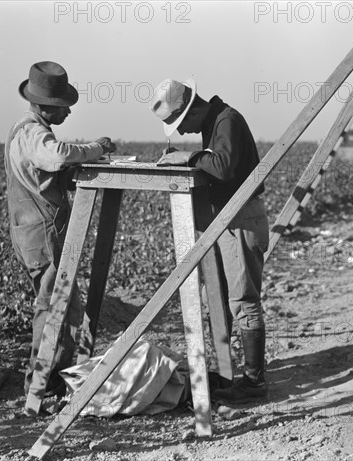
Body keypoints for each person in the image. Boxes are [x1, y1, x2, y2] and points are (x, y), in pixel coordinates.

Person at [149, 78, 269, 406]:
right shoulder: (214, 121)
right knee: (228, 298)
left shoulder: (225, 120)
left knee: (243, 301)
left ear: (191, 111)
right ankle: (241, 376)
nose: (182, 130)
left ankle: (255, 383)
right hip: (232, 218)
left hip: (242, 219)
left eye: (179, 123)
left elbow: (223, 166)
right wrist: (192, 156)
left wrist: (189, 157)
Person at [4, 61, 116, 400]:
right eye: (61, 107)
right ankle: (40, 387)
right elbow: (56, 155)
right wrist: (97, 148)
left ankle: (54, 381)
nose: (67, 112)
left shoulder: (28, 130)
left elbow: (46, 174)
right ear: (42, 107)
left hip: (36, 230)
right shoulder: (32, 133)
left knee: (64, 306)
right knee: (53, 306)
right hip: (42, 235)